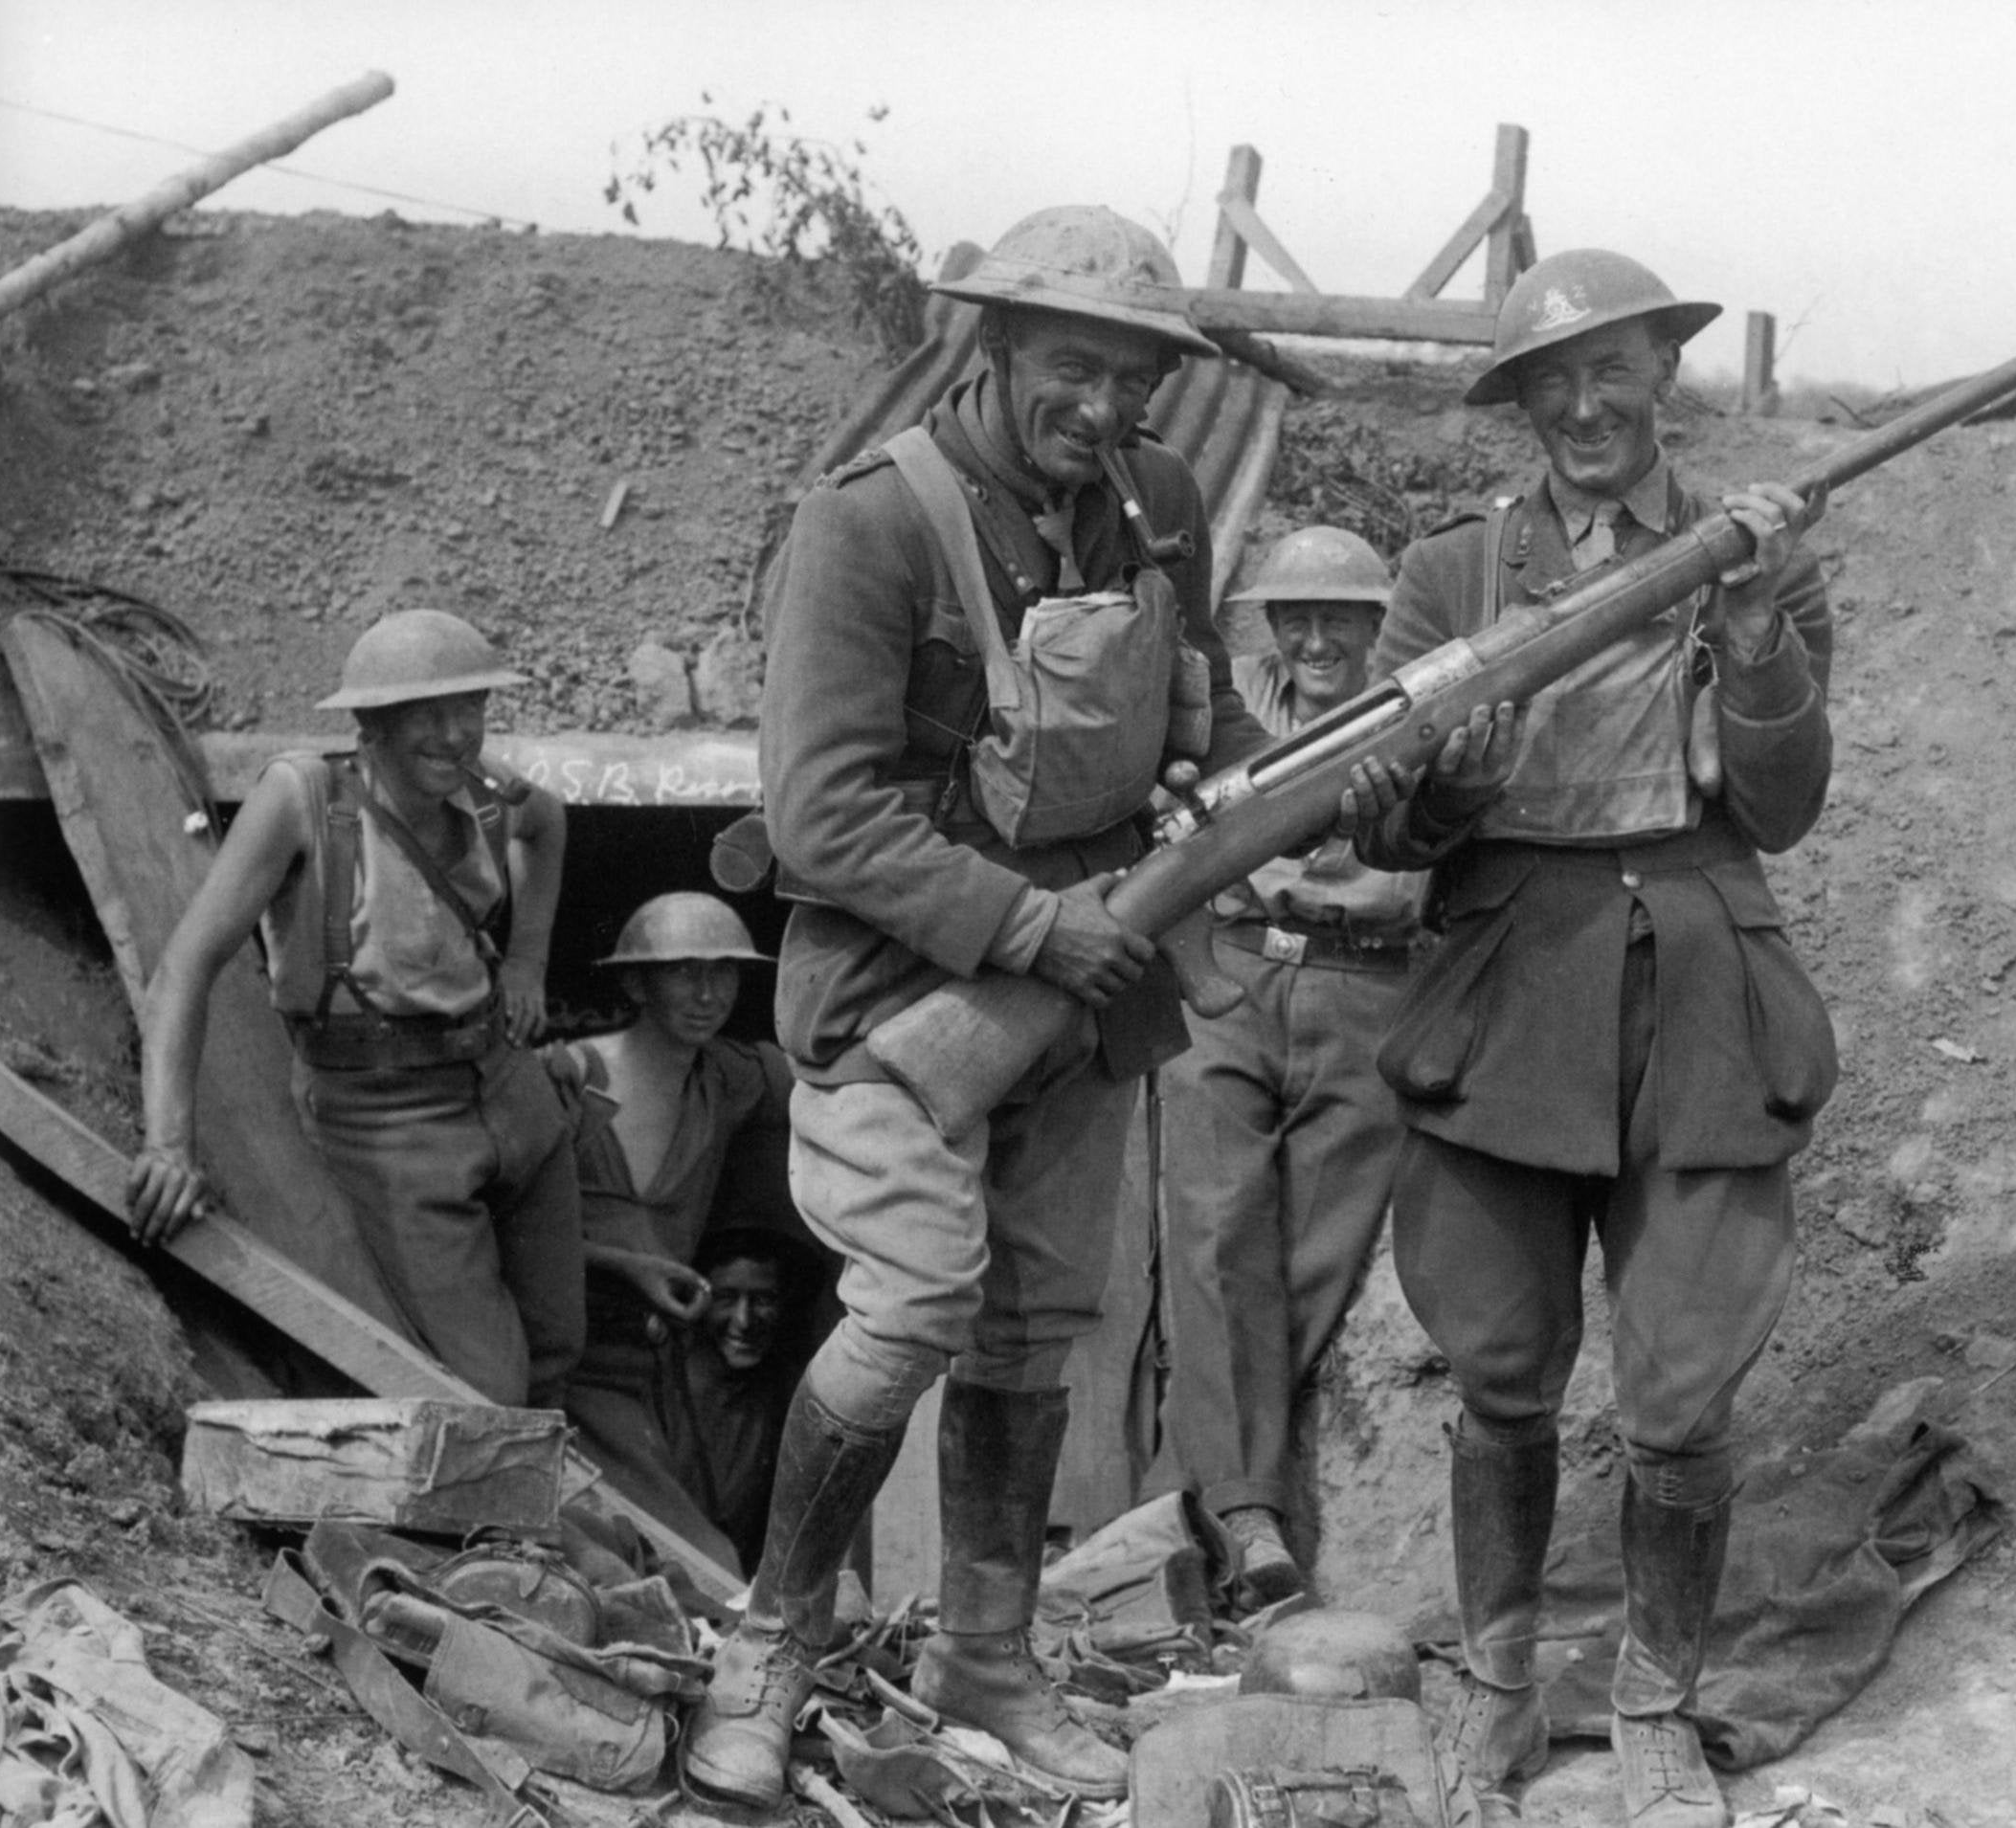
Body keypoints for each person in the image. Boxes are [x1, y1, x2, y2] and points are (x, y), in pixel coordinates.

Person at [678, 202, 1297, 1812]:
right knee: (914, 1304)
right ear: (996, 346)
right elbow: (819, 816)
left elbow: (1207, 711)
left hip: (1093, 984)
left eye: (1134, 384)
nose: (1102, 412)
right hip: (908, 991)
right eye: (1072, 371)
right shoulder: (868, 526)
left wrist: (1270, 787)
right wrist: (1032, 924)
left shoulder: (1156, 505)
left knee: (1033, 1327)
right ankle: (769, 1634)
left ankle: (989, 1658)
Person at [1355, 250, 1838, 1828]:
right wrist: (1452, 783)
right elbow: (1387, 827)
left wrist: (1757, 635)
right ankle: (1499, 1687)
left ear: (1663, 378)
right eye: (1549, 383)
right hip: (1507, 997)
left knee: (1682, 1395)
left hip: (1699, 989)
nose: (1583, 408)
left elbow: (1780, 807)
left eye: (1610, 372)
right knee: (1500, 1372)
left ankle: (1654, 1709)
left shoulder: (1746, 553)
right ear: (1519, 408)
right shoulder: (1450, 577)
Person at [127, 609, 583, 1409]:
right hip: (388, 1121)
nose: (455, 735)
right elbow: (184, 968)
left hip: (510, 1091)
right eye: (427, 715)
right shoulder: (304, 799)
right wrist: (168, 1143)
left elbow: (547, 823)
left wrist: (527, 963)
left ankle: (561, 1520)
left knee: (559, 1344)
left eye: (470, 709)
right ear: (370, 724)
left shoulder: (481, 795)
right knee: (487, 1392)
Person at [1147, 526, 1426, 1610]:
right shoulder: (1221, 711)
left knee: (1318, 1252)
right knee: (1218, 1233)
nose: (1315, 637)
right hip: (1231, 971)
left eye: (1339, 617)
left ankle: (1219, 1494)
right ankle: (1246, 1514)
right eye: (1294, 616)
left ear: (1375, 623)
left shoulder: (1417, 705)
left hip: (1367, 987)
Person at [549, 891, 794, 1572]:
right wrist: (622, 1265)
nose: (708, 992)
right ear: (636, 982)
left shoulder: (728, 1079)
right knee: (698, 1562)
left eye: (724, 971)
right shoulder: (570, 1077)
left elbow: (831, 1082)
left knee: (713, 1536)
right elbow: (504, 1237)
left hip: (659, 1371)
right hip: (569, 1369)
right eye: (685, 970)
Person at [668, 1226, 825, 1572]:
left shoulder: (787, 1392)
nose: (744, 1320)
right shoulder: (665, 1389)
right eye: (726, 1299)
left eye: (763, 1300)